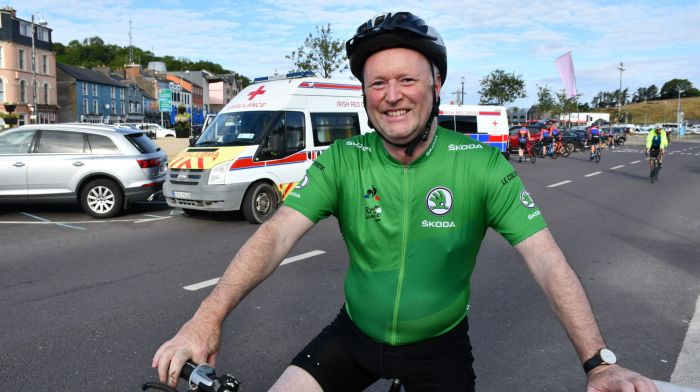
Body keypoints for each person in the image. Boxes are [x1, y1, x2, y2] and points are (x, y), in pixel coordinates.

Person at [153, 12, 658, 392]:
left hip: (438, 349)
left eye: (407, 80)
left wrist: (599, 363)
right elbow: (275, 234)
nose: (392, 95)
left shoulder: (480, 165)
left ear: (436, 86)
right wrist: (206, 317)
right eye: (378, 83)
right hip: (353, 335)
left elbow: (548, 262)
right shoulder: (343, 160)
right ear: (365, 96)